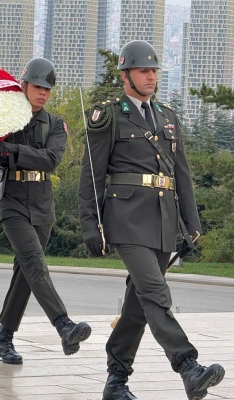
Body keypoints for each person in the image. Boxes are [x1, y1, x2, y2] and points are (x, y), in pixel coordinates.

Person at [78, 40, 225, 400]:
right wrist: (89, 224)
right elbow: (92, 174)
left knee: (138, 304)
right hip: (125, 217)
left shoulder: (168, 117)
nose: (151, 76)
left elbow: (181, 175)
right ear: (126, 75)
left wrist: (191, 223)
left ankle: (116, 380)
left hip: (162, 220)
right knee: (156, 293)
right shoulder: (109, 115)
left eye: (155, 70)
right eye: (144, 70)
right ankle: (188, 366)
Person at [0, 57, 91, 365]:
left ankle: (3, 340)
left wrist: (14, 151)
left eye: (47, 89)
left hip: (42, 204)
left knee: (24, 273)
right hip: (12, 201)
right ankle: (64, 324)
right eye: (37, 87)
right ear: (23, 86)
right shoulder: (4, 121)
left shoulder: (55, 124)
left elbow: (50, 159)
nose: (43, 93)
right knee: (34, 263)